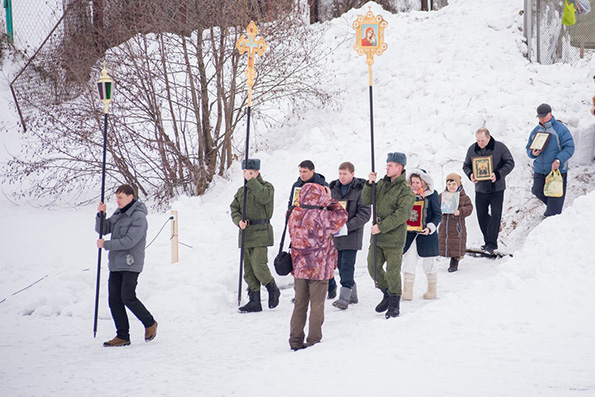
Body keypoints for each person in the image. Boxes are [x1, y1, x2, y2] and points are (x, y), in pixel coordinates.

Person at [96, 184, 157, 347]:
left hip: (131, 262)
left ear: (131, 197)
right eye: (116, 198)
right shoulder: (119, 213)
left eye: (121, 197)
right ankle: (123, 336)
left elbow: (130, 241)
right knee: (114, 300)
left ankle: (150, 322)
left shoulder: (138, 217)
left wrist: (106, 245)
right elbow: (102, 228)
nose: (118, 201)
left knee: (127, 297)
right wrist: (101, 214)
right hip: (116, 263)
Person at [288, 183, 348, 350]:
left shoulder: (293, 213)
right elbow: (343, 216)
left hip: (300, 265)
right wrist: (330, 200)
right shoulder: (324, 216)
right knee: (317, 304)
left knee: (299, 304)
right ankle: (314, 340)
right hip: (319, 268)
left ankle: (295, 340)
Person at [362, 152, 415, 319]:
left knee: (393, 271)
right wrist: (369, 184)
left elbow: (402, 215)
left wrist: (381, 227)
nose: (387, 167)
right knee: (373, 269)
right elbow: (366, 200)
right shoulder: (382, 184)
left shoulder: (405, 190)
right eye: (387, 164)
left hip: (393, 238)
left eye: (390, 165)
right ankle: (386, 293)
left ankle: (394, 303)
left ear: (399, 168)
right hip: (377, 237)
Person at [230, 159, 280, 313]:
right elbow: (234, 208)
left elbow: (264, 198)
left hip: (261, 232)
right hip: (246, 233)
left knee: (259, 265)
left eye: (251, 173)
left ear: (257, 172)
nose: (248, 176)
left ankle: (272, 287)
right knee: (249, 270)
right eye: (246, 173)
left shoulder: (266, 187)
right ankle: (254, 300)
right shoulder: (241, 191)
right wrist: (239, 222)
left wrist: (252, 181)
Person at [287, 160, 336, 299]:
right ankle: (300, 293)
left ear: (312, 171)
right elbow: (291, 204)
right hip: (301, 228)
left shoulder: (322, 185)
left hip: (317, 228)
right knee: (301, 261)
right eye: (300, 171)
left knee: (320, 260)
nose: (302, 174)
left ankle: (330, 285)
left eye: (305, 172)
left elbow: (328, 206)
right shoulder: (297, 186)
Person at [462, 128, 515, 255]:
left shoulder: (500, 147)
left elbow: (510, 163)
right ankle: (488, 241)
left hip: (497, 188)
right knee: (482, 216)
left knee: (496, 215)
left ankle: (491, 244)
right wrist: (471, 175)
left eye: (482, 141)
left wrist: (498, 174)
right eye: (478, 140)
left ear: (489, 138)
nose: (480, 143)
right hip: (481, 189)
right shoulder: (472, 149)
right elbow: (466, 166)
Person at [328, 162, 371, 310]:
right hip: (336, 235)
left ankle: (344, 297)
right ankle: (352, 294)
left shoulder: (361, 190)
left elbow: (365, 214)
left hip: (351, 234)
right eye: (340, 173)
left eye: (345, 174)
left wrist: (347, 226)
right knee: (340, 265)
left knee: (347, 265)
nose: (341, 177)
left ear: (352, 174)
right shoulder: (333, 188)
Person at [526, 103, 575, 217]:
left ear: (550, 114)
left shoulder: (560, 129)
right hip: (539, 170)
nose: (541, 119)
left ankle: (552, 217)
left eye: (544, 116)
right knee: (537, 191)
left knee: (555, 202)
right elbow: (528, 148)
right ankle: (553, 210)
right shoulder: (535, 131)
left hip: (556, 171)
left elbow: (570, 147)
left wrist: (558, 160)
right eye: (540, 117)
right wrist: (532, 153)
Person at [401, 169, 442, 300]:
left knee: (429, 263)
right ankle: (407, 292)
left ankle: (432, 290)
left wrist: (430, 228)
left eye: (417, 182)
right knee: (409, 261)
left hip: (427, 235)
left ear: (424, 182)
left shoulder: (432, 194)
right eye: (412, 182)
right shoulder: (406, 195)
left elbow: (437, 215)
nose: (414, 185)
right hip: (410, 235)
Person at [438, 173, 473, 273]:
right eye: (449, 184)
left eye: (453, 184)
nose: (451, 187)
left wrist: (460, 211)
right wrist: (440, 210)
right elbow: (435, 205)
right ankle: (443, 254)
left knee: (456, 243)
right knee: (444, 240)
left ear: (459, 184)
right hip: (445, 224)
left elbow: (469, 208)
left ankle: (454, 261)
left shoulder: (464, 197)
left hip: (457, 225)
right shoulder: (442, 196)